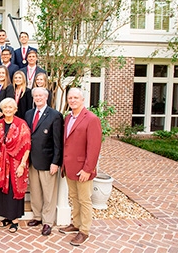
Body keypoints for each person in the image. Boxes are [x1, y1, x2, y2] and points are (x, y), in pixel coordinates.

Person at [59, 88, 102, 246]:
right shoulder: (68, 118)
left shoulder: (91, 119)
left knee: (84, 200)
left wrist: (88, 169)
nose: (72, 100)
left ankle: (84, 230)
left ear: (83, 100)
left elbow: (94, 147)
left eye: (76, 97)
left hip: (83, 168)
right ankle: (76, 224)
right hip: (70, 167)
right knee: (74, 197)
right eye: (70, 98)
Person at [24, 87, 63, 236]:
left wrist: (55, 162)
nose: (38, 98)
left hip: (48, 161)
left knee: (48, 193)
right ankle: (37, 216)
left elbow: (57, 142)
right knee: (35, 191)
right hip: (32, 160)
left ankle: (47, 222)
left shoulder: (55, 115)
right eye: (36, 96)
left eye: (41, 95)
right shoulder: (28, 114)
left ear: (46, 97)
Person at [0, 97, 31, 233]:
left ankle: (15, 220)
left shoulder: (21, 124)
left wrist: (22, 164)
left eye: (11, 107)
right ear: (2, 110)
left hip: (17, 162)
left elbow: (27, 145)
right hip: (2, 163)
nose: (8, 110)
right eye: (5, 108)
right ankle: (7, 217)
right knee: (3, 189)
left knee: (14, 189)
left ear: (15, 109)